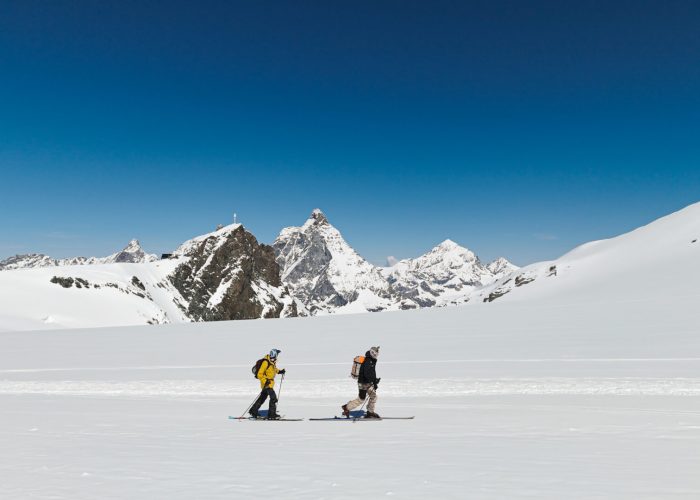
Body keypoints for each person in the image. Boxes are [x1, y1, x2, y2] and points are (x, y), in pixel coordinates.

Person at [342, 346, 381, 418]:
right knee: (361, 399)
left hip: (368, 382)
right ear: (371, 352)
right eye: (375, 354)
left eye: (377, 354)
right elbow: (366, 374)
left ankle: (370, 412)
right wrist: (374, 381)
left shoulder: (372, 360)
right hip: (363, 383)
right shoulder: (368, 361)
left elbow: (372, 372)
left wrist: (375, 381)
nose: (376, 356)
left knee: (373, 396)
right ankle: (346, 408)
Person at [250, 348, 286, 420]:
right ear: (274, 354)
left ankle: (253, 411)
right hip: (266, 384)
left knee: (262, 398)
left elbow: (273, 370)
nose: (277, 355)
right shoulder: (266, 362)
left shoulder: (272, 362)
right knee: (273, 398)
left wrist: (280, 371)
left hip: (269, 383)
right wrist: (265, 380)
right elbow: (260, 374)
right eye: (277, 354)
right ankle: (271, 414)